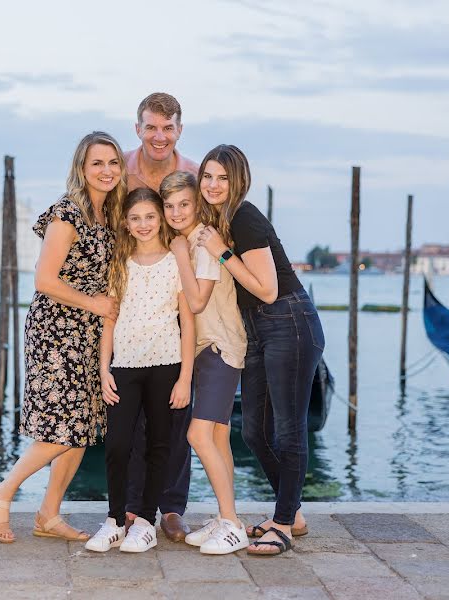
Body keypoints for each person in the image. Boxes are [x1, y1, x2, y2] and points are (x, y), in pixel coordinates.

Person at [0, 131, 125, 544]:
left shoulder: (109, 217)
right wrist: (94, 304)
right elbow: (44, 280)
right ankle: (1, 494)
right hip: (56, 330)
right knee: (59, 429)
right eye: (97, 163)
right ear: (82, 168)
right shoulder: (67, 213)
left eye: (113, 162)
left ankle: (48, 514)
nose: (106, 170)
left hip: (89, 333)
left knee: (81, 427)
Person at [196, 145, 325, 556]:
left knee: (289, 428)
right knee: (253, 431)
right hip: (255, 329)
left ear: (239, 182)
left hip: (288, 319)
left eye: (223, 178)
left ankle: (284, 523)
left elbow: (267, 289)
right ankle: (294, 512)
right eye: (208, 176)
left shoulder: (243, 217)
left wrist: (221, 251)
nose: (214, 185)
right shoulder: (217, 220)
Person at [85, 187, 194, 553]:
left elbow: (188, 322)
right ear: (127, 224)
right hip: (125, 365)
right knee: (118, 445)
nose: (144, 224)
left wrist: (185, 378)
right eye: (136, 218)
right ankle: (115, 520)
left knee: (160, 445)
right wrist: (104, 370)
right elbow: (109, 320)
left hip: (167, 364)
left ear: (159, 219)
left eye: (150, 216)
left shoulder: (175, 259)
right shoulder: (120, 260)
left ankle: (146, 520)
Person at [122, 92, 199, 541]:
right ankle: (134, 508)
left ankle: (171, 507)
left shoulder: (190, 174)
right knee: (133, 421)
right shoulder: (122, 172)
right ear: (138, 129)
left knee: (177, 413)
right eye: (151, 127)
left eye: (167, 128)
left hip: (178, 297)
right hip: (132, 298)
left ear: (179, 131)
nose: (159, 136)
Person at [162, 171, 249, 554]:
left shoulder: (203, 241)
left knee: (197, 434)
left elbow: (197, 302)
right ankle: (227, 516)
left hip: (220, 347)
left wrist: (180, 252)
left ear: (198, 203)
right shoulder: (188, 239)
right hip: (205, 349)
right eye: (169, 205)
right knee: (217, 436)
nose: (176, 211)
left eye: (185, 204)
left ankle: (231, 524)